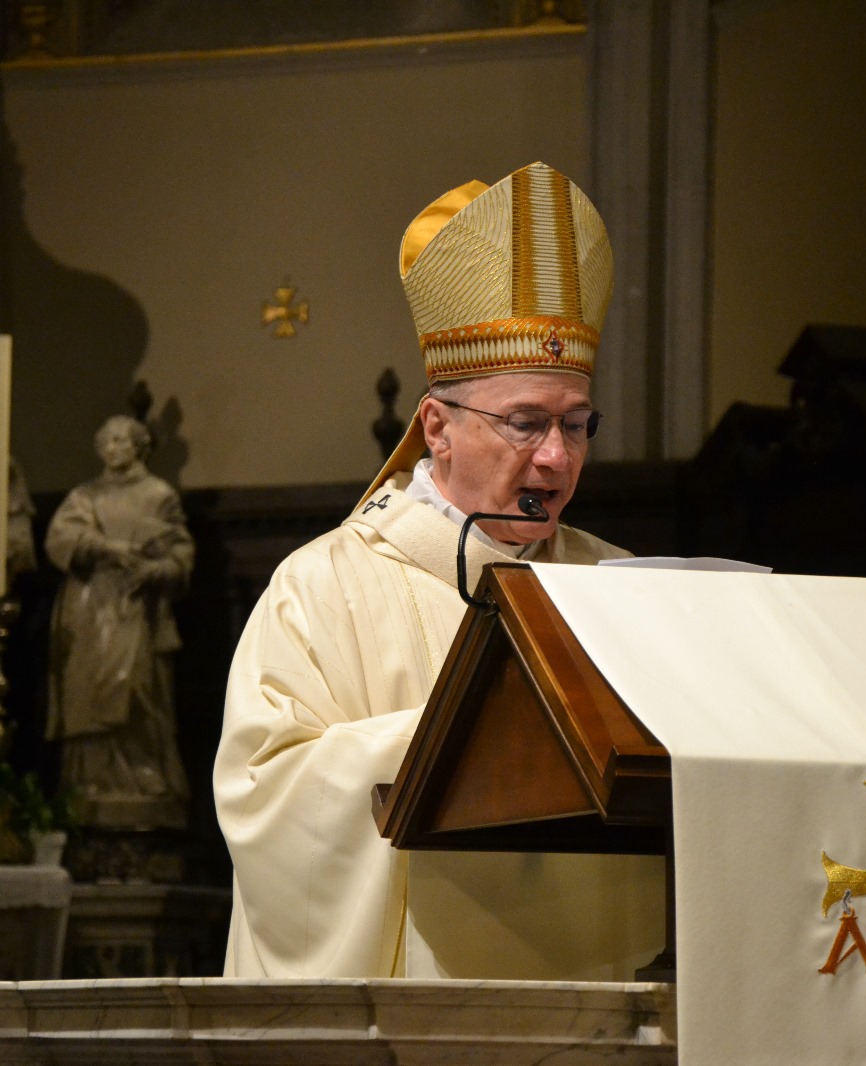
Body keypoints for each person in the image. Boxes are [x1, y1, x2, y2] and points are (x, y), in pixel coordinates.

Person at [215, 162, 658, 979]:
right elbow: (264, 800)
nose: (556, 457)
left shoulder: (627, 591)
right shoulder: (321, 590)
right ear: (437, 427)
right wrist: (466, 742)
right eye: (525, 423)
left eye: (576, 424)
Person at [46, 414, 194, 830]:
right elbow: (60, 538)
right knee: (83, 691)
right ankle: (89, 781)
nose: (112, 448)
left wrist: (155, 571)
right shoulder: (84, 496)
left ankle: (141, 777)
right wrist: (103, 547)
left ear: (138, 446)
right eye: (105, 440)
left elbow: (181, 556)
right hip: (89, 606)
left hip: (136, 607)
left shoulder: (158, 495)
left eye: (120, 440)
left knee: (137, 688)